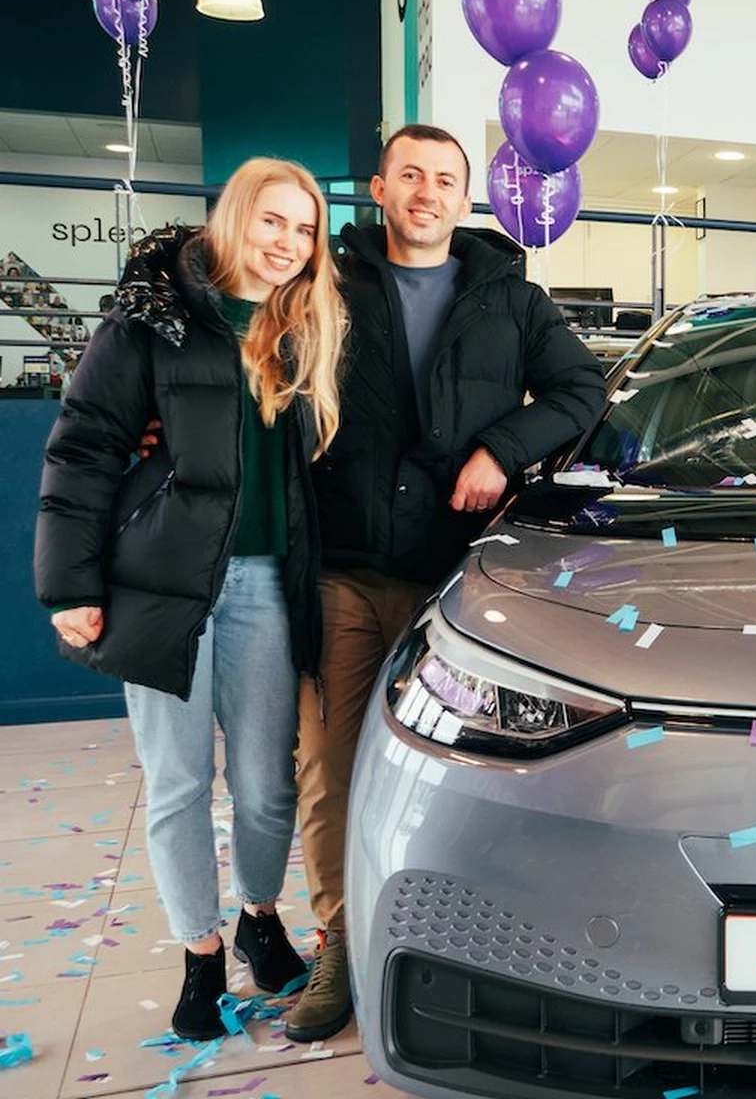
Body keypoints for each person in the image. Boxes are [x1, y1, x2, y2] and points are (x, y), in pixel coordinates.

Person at [284, 123, 610, 1041]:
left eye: (446, 179)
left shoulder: (509, 294)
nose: (428, 192)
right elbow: (250, 376)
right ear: (380, 189)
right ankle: (342, 948)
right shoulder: (327, 282)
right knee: (332, 767)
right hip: (346, 568)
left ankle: (466, 938)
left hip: (464, 576)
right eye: (411, 175)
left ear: (467, 198)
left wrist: (501, 452)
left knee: (472, 773)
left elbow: (584, 388)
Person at [35, 159, 346, 1040]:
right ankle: (200, 954)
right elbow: (83, 448)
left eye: (305, 229)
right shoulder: (152, 318)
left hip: (265, 586)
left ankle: (258, 915)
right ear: (234, 219)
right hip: (159, 585)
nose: (288, 244)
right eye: (273, 222)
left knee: (264, 786)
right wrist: (69, 585)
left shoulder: (308, 330)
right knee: (176, 784)